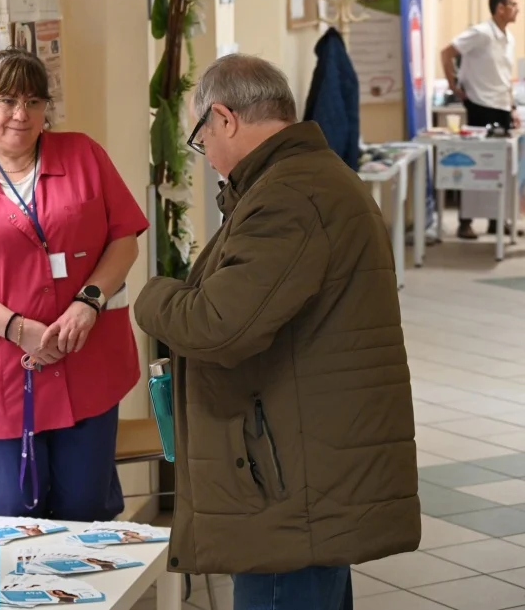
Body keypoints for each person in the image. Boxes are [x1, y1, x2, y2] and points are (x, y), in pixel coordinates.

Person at [134, 54, 420, 610]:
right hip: (306, 466)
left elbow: (217, 326)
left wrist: (152, 295)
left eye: (202, 137)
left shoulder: (290, 197)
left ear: (224, 118)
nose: (207, 156)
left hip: (287, 487)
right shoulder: (310, 179)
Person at [0, 48, 148, 521]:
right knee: (19, 517)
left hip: (86, 360)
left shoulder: (84, 155)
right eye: (5, 100)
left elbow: (124, 239)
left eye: (34, 101)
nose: (21, 115)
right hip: (3, 372)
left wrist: (89, 303)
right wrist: (19, 329)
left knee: (85, 512)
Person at [441, 0, 520, 239]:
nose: (518, 8)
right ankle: (465, 222)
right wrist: (453, 86)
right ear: (500, 8)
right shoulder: (481, 33)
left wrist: (513, 108)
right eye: (514, 4)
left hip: (501, 107)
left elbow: (505, 78)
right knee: (473, 165)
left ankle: (496, 221)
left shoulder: (509, 38)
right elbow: (447, 52)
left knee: (502, 167)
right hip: (480, 106)